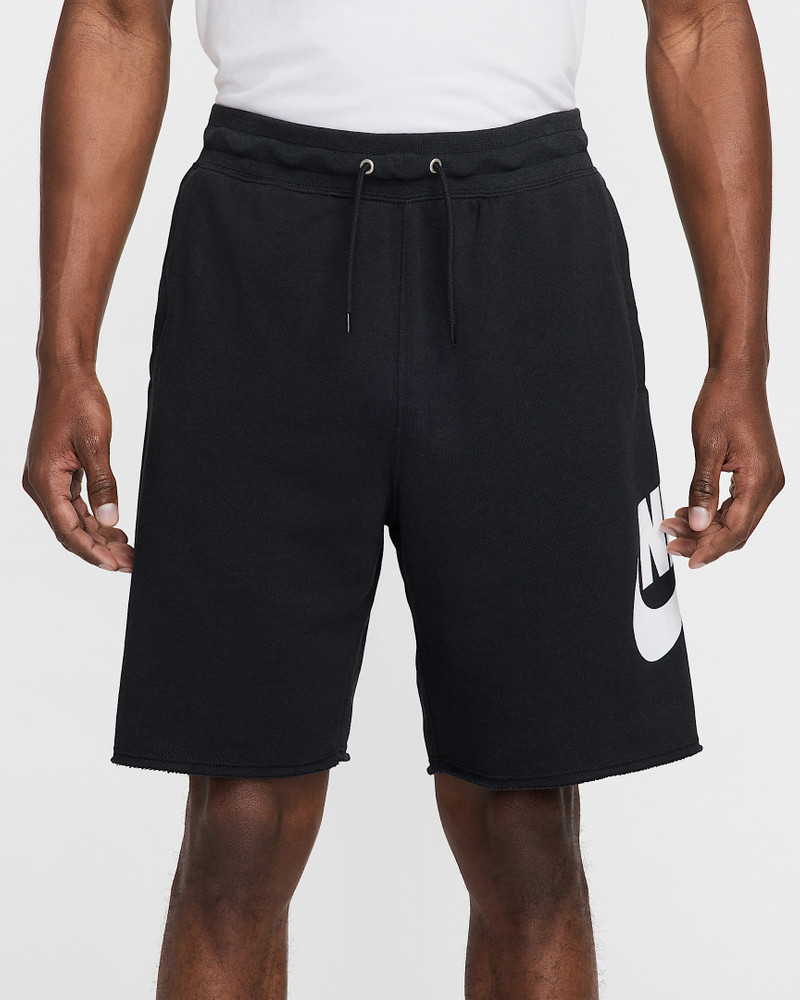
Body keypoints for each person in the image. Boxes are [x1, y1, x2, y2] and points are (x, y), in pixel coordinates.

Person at [22, 0, 784, 997]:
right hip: (261, 251)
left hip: (527, 254)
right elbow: (118, 21)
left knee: (524, 826)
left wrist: (740, 360)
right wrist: (64, 354)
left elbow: (699, 22)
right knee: (239, 821)